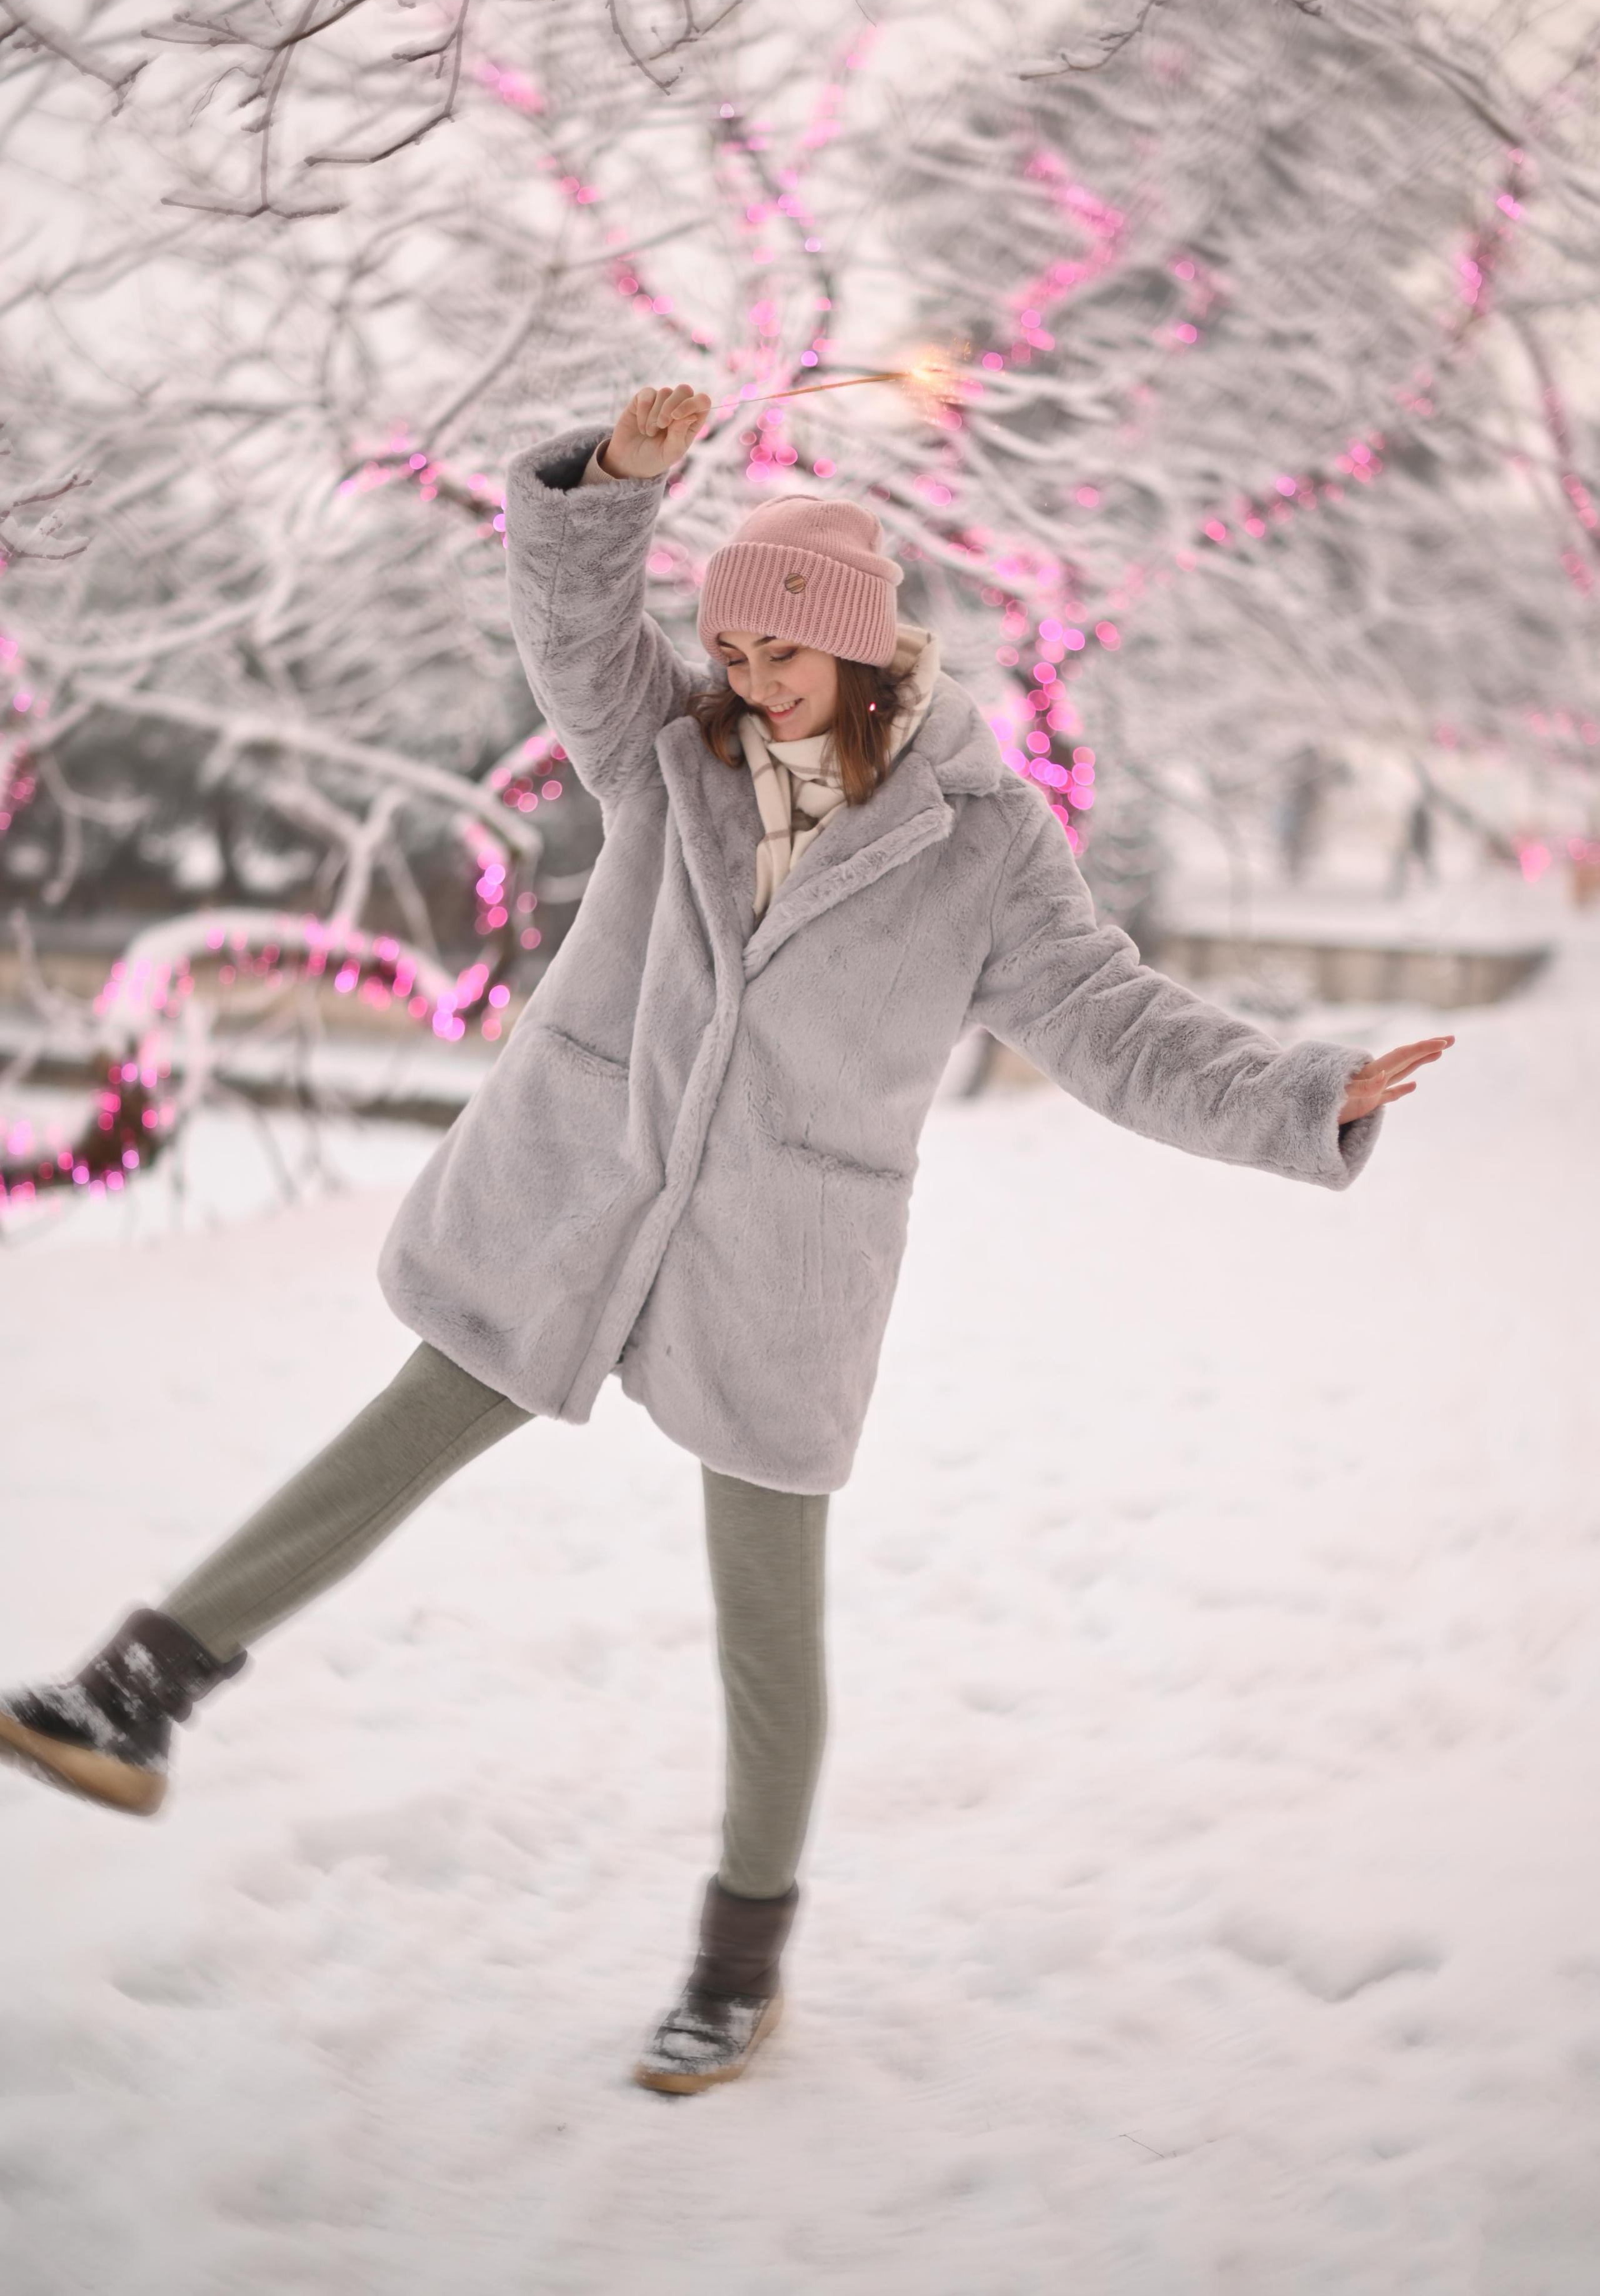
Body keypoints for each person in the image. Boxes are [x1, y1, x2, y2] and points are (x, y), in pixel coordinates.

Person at [0, 384, 1453, 2097]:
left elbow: (1112, 1022)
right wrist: (611, 486)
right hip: (578, 1182)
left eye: (780, 655)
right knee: (389, 1441)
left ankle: (738, 1965)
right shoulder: (666, 750)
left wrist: (1305, 1095)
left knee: (769, 1623)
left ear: (859, 653)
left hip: (781, 1255)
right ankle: (136, 1695)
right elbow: (568, 622)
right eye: (733, 648)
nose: (748, 681)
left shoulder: (983, 847)